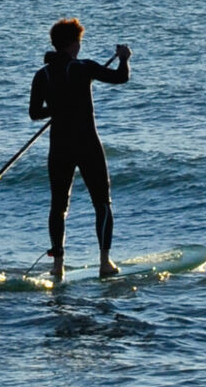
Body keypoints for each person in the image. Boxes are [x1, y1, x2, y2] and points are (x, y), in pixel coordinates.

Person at [28, 17, 131, 280]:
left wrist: (55, 109)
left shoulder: (43, 75)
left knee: (58, 207)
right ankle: (105, 263)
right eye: (79, 41)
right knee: (102, 204)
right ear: (74, 43)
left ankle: (58, 266)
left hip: (59, 147)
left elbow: (34, 113)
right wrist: (124, 57)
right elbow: (121, 78)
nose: (80, 46)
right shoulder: (83, 68)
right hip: (86, 145)